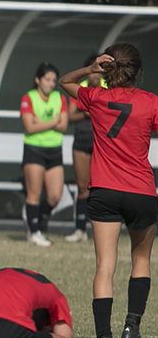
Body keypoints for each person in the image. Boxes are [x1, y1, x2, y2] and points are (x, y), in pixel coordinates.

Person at [59, 44, 158, 338]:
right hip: (141, 190)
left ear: (108, 68)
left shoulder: (97, 97)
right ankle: (131, 328)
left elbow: (65, 83)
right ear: (138, 72)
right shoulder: (150, 102)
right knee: (140, 260)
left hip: (104, 190)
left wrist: (90, 70)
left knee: (105, 265)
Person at [20, 63, 68, 247]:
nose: (51, 83)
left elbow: (63, 125)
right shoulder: (29, 97)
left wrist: (42, 123)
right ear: (38, 80)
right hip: (34, 149)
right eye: (47, 79)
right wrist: (53, 121)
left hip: (54, 150)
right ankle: (33, 232)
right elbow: (29, 127)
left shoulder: (59, 98)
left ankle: (36, 222)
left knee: (55, 196)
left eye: (54, 80)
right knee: (34, 193)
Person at [65, 54, 104, 244]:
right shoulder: (80, 90)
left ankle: (98, 228)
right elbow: (69, 117)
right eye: (93, 71)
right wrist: (87, 112)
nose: (96, 76)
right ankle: (79, 229)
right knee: (82, 187)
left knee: (97, 187)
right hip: (81, 141)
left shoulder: (106, 89)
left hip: (99, 143)